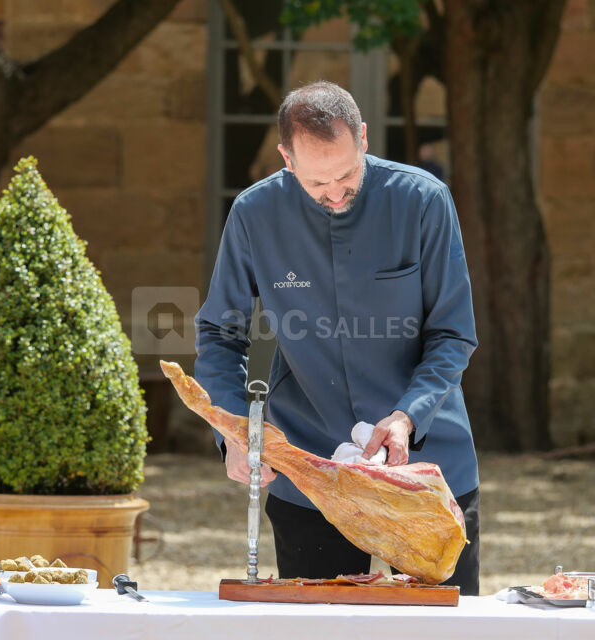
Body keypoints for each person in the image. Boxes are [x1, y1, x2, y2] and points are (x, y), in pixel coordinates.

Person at [194, 81, 480, 595]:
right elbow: (219, 333)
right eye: (316, 182)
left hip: (427, 463)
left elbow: (452, 333)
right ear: (286, 159)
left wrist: (408, 413)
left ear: (364, 139)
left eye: (347, 174)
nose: (334, 193)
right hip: (310, 469)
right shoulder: (253, 214)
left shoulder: (424, 201)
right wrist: (236, 431)